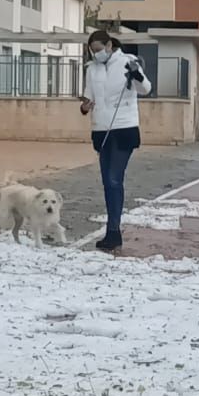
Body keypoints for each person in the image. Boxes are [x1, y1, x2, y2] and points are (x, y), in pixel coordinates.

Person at [80, 30, 151, 252]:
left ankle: (114, 231)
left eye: (99, 49)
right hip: (101, 130)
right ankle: (112, 232)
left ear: (110, 45)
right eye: (93, 51)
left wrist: (136, 75)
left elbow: (145, 89)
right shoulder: (92, 69)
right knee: (107, 182)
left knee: (113, 179)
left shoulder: (128, 61)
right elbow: (88, 96)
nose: (97, 54)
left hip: (124, 128)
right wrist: (85, 106)